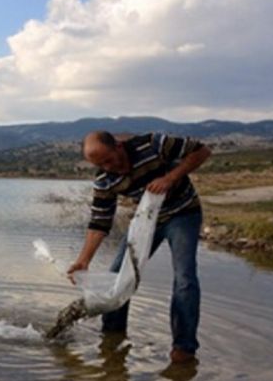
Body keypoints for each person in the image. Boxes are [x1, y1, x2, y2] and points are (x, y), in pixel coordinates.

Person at [67, 131, 212, 364]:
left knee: (185, 277)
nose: (108, 167)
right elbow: (99, 223)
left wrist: (171, 177)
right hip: (147, 221)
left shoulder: (153, 144)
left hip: (183, 214)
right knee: (119, 278)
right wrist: (84, 260)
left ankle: (184, 349)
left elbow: (202, 150)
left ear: (118, 146)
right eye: (100, 164)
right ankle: (112, 338)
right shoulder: (105, 179)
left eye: (109, 159)